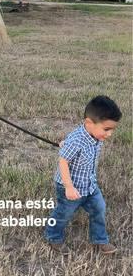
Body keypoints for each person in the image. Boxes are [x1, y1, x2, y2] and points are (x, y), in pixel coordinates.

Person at [45, 95, 122, 255]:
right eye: (106, 129)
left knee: (99, 209)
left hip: (90, 185)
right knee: (63, 214)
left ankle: (100, 239)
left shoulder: (95, 135)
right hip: (71, 187)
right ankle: (53, 236)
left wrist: (65, 144)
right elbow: (63, 162)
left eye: (112, 129)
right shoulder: (76, 140)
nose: (109, 134)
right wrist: (68, 187)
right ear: (89, 123)